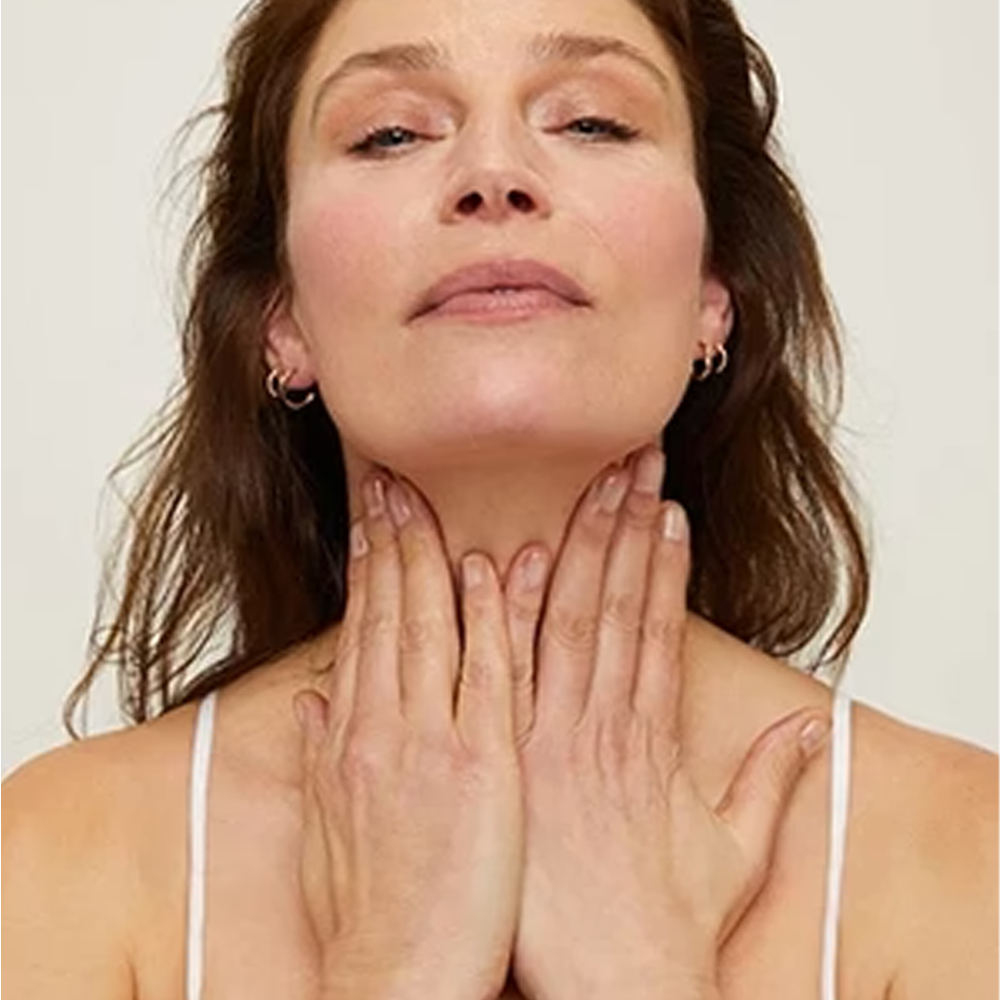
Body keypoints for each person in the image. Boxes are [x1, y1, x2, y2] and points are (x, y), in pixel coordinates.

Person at [3, 0, 995, 997]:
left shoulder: (963, 851)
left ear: (713, 290)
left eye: (592, 122)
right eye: (389, 132)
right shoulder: (56, 857)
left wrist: (639, 978)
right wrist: (395, 969)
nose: (494, 175)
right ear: (280, 317)